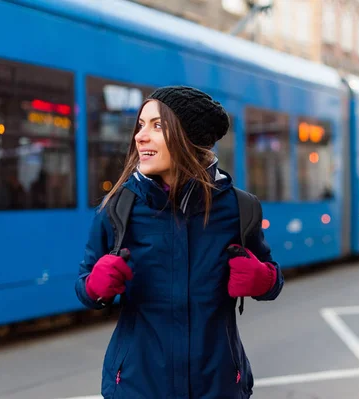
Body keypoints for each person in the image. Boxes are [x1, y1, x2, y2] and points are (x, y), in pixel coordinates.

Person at [75, 86, 284, 399]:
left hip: (218, 386)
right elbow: (84, 287)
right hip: (137, 387)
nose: (140, 137)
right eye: (141, 125)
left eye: (157, 126)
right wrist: (94, 285)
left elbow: (273, 278)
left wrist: (262, 278)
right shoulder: (117, 208)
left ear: (189, 138)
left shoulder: (240, 208)